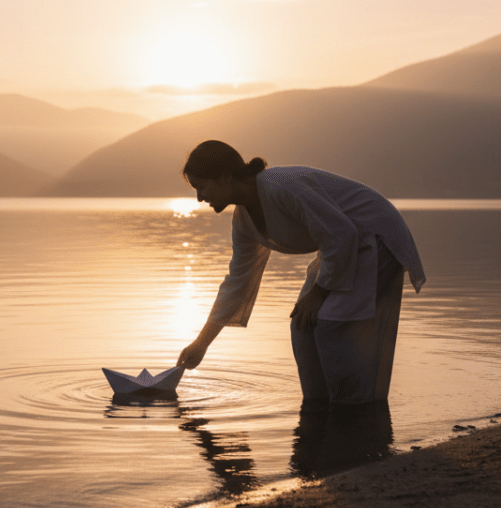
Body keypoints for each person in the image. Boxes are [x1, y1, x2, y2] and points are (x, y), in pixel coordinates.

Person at [176, 140, 426, 408]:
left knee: (331, 325)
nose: (200, 197)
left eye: (201, 186)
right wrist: (200, 344)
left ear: (225, 177)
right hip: (340, 245)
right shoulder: (243, 221)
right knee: (302, 326)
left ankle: (356, 411)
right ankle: (318, 410)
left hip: (374, 236)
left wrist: (318, 293)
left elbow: (341, 233)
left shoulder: (280, 186)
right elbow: (237, 282)